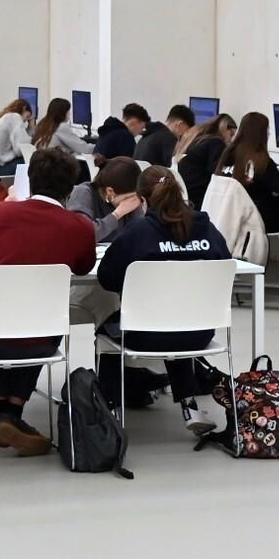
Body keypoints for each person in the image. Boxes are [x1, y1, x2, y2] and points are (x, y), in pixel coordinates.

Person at [0, 147, 98, 456]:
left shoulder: (0, 214)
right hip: (40, 338)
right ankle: (12, 415)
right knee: (42, 320)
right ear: (70, 188)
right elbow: (84, 267)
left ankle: (3, 415)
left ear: (30, 180)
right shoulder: (81, 227)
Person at [98, 164, 233, 435]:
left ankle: (110, 410)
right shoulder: (207, 229)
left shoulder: (137, 233)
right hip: (199, 333)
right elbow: (225, 266)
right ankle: (189, 405)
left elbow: (107, 278)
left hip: (145, 335)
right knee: (175, 317)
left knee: (107, 333)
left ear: (144, 200)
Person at [217, 112, 279, 234]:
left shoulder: (227, 153)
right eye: (267, 130)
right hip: (257, 218)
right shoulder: (259, 160)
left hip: (231, 214)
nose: (269, 133)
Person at [67, 156, 145, 242]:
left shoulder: (132, 198)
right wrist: (117, 214)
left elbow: (141, 236)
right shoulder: (83, 192)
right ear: (110, 191)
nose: (132, 201)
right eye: (127, 197)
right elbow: (81, 234)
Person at [174, 118, 227, 208]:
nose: (232, 138)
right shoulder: (216, 143)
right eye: (232, 133)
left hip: (186, 196)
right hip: (201, 199)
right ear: (226, 129)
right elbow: (216, 174)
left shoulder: (195, 141)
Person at [0, 99, 35, 174]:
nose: (25, 121)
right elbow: (20, 149)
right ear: (24, 108)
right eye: (28, 116)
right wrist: (32, 126)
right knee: (35, 163)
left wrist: (29, 129)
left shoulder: (6, 118)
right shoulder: (15, 117)